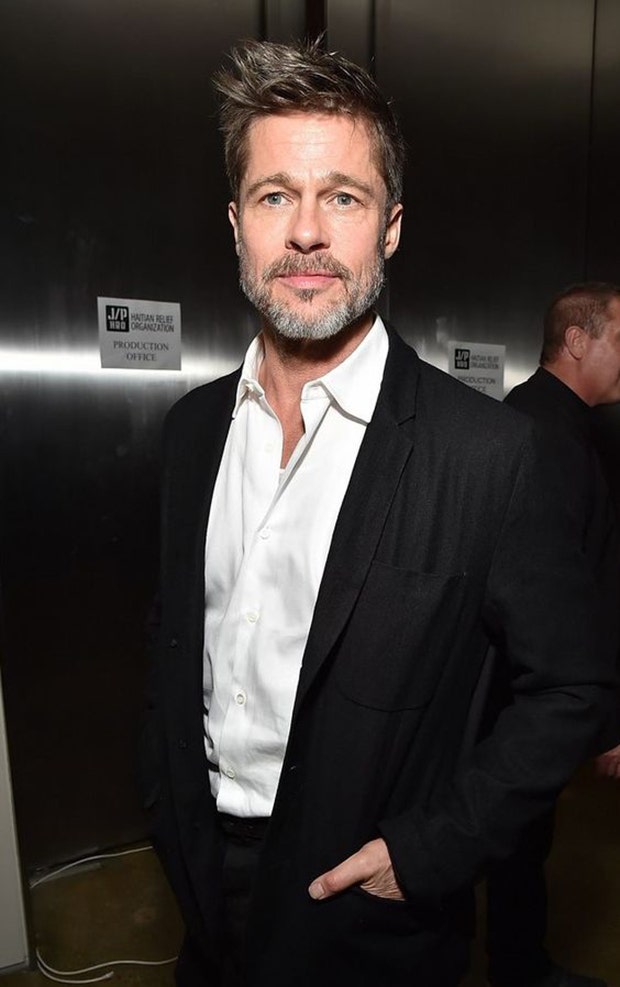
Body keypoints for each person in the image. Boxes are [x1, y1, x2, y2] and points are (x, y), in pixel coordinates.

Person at [139, 41, 616, 987]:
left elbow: (572, 687)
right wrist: (163, 796)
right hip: (200, 890)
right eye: (275, 195)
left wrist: (435, 847)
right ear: (235, 223)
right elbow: (173, 639)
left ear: (390, 228)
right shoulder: (190, 432)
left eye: (344, 198)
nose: (307, 232)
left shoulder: (489, 454)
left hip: (370, 918)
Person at [483, 283, 620, 987]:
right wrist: (602, 721)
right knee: (516, 838)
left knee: (522, 839)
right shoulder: (542, 435)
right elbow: (559, 599)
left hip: (530, 690)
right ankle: (518, 970)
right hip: (525, 694)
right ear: (576, 341)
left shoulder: (556, 423)